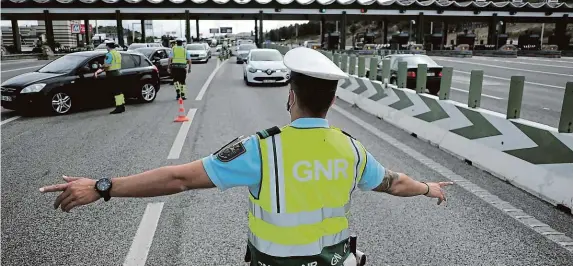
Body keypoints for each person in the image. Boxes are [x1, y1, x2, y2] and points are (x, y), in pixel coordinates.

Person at [40, 47, 453, 266]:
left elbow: (178, 179)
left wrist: (103, 186)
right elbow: (395, 182)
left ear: (291, 95)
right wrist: (429, 187)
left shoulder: (262, 148)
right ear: (331, 101)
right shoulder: (352, 150)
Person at [95, 40, 124, 114]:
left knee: (116, 91)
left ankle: (118, 107)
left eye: (106, 46)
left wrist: (99, 70)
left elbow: (107, 65)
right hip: (118, 73)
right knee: (119, 91)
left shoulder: (109, 54)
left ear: (108, 46)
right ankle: (122, 106)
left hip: (112, 74)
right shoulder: (118, 54)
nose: (106, 47)